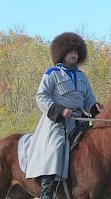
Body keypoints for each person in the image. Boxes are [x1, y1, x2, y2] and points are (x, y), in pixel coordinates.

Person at [25, 32, 102, 199]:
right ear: (62, 53)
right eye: (70, 51)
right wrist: (60, 111)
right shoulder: (52, 73)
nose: (74, 55)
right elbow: (41, 96)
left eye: (76, 52)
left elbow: (89, 99)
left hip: (79, 123)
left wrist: (95, 108)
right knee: (55, 149)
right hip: (56, 123)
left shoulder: (82, 76)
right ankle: (47, 192)